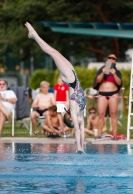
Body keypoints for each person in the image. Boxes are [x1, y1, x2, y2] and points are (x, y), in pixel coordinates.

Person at [25, 22, 86, 153]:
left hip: (70, 78)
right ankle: (34, 36)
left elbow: (77, 130)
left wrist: (79, 148)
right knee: (55, 52)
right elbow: (80, 131)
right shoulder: (80, 113)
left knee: (52, 52)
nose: (78, 123)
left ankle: (34, 35)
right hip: (73, 75)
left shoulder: (75, 113)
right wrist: (82, 147)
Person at [93, 54, 122, 140]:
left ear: (115, 61)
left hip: (113, 93)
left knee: (113, 114)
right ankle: (99, 135)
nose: (111, 59)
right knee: (101, 114)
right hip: (102, 93)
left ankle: (115, 135)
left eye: (113, 58)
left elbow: (119, 83)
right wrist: (103, 72)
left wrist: (114, 74)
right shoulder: (102, 69)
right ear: (107, 60)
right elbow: (97, 80)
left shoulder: (117, 71)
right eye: (110, 58)